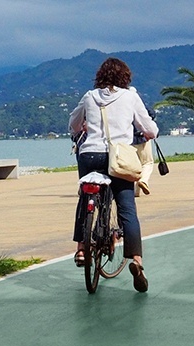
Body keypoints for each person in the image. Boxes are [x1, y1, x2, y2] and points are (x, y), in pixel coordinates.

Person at [68, 57, 158, 292]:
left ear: (100, 76)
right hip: (119, 159)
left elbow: (74, 125)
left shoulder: (90, 96)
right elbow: (150, 129)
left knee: (85, 198)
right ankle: (136, 260)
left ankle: (81, 249)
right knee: (127, 208)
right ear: (125, 77)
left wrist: (84, 127)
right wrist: (149, 133)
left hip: (90, 156)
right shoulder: (130, 97)